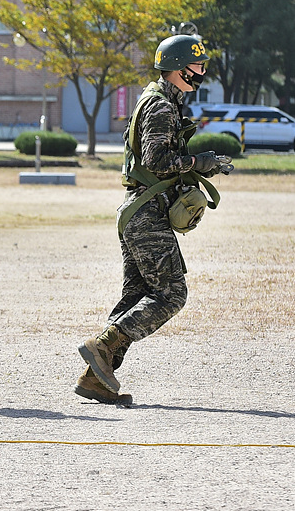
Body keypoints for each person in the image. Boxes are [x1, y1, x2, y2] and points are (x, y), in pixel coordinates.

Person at [77, 34, 233, 406]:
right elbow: (157, 161)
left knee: (136, 297)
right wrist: (199, 163)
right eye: (197, 66)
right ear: (178, 68)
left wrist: (198, 166)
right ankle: (101, 346)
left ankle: (95, 377)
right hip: (146, 213)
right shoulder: (161, 106)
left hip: (139, 210)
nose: (202, 72)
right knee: (172, 294)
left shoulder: (161, 101)